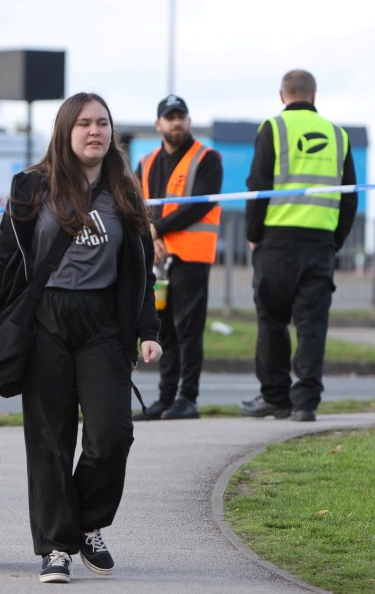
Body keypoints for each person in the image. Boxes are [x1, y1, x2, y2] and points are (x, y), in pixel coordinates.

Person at [0, 92, 162, 584]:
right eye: (85, 123)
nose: (95, 131)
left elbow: (143, 271)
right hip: (43, 319)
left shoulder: (126, 191)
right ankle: (55, 548)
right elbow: (4, 261)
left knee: (112, 434)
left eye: (103, 123)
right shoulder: (30, 186)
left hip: (103, 325)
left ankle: (86, 523)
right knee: (50, 440)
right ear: (65, 130)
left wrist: (148, 330)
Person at [239, 69, 357, 423]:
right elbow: (349, 199)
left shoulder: (272, 129)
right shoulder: (339, 135)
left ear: (282, 96)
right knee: (312, 324)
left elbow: (258, 186)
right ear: (314, 95)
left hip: (276, 242)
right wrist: (333, 241)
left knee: (272, 320)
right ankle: (305, 403)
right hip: (319, 243)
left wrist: (253, 234)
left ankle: (275, 397)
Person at [132, 96, 223, 421]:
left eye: (181, 116)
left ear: (188, 120)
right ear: (159, 124)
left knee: (188, 328)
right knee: (164, 329)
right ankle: (165, 398)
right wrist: (149, 236)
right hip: (157, 258)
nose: (176, 122)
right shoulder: (145, 163)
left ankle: (188, 398)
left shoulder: (207, 158)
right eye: (170, 118)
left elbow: (199, 206)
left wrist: (156, 230)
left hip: (191, 256)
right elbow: (134, 206)